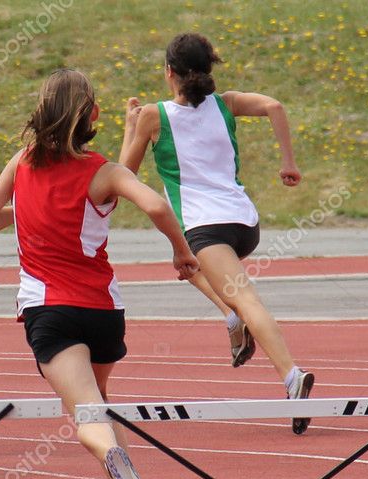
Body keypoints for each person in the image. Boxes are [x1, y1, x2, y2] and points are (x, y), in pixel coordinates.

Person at [0, 69, 199, 479]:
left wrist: (25, 209)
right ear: (92, 115)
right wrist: (181, 252)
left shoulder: (21, 162)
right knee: (99, 405)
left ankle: (117, 464)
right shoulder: (105, 172)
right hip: (103, 312)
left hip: (50, 311)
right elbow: (157, 207)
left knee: (89, 417)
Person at [119, 32, 315, 435]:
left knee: (245, 297)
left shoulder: (153, 116)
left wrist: (129, 126)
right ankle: (231, 317)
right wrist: (288, 163)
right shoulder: (227, 103)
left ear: (169, 72)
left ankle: (292, 376)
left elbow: (123, 175)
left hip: (205, 227)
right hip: (244, 224)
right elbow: (275, 106)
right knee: (186, 263)